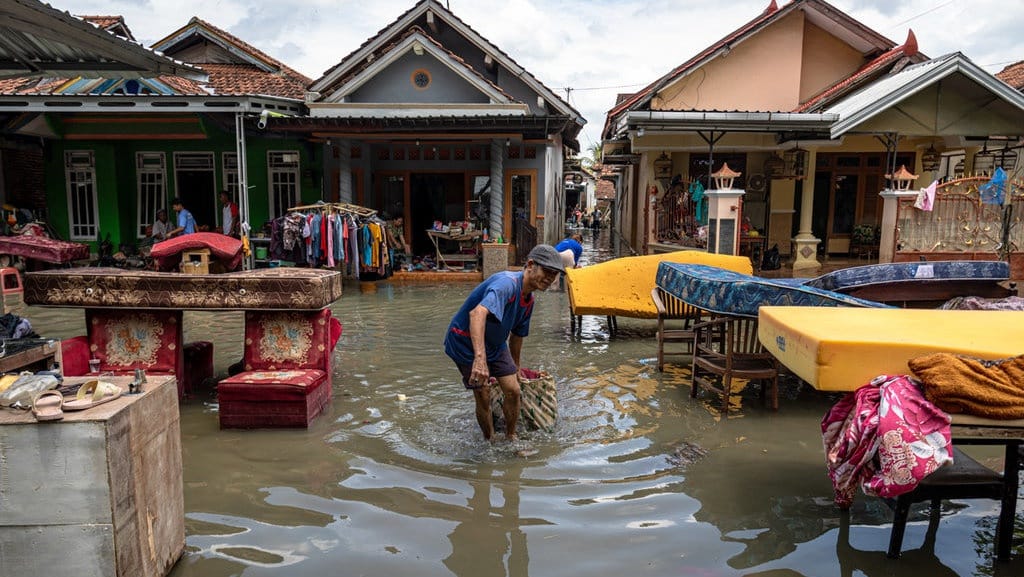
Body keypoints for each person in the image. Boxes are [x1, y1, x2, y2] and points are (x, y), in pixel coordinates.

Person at [444, 244, 564, 441]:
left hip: (495, 343)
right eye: (547, 272)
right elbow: (477, 313)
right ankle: (489, 440)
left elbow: (517, 336)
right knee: (482, 394)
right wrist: (480, 360)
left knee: (513, 390)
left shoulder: (529, 300)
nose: (550, 279)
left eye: (555, 274)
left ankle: (511, 436)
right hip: (465, 341)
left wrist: (515, 367)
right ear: (531, 265)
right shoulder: (507, 284)